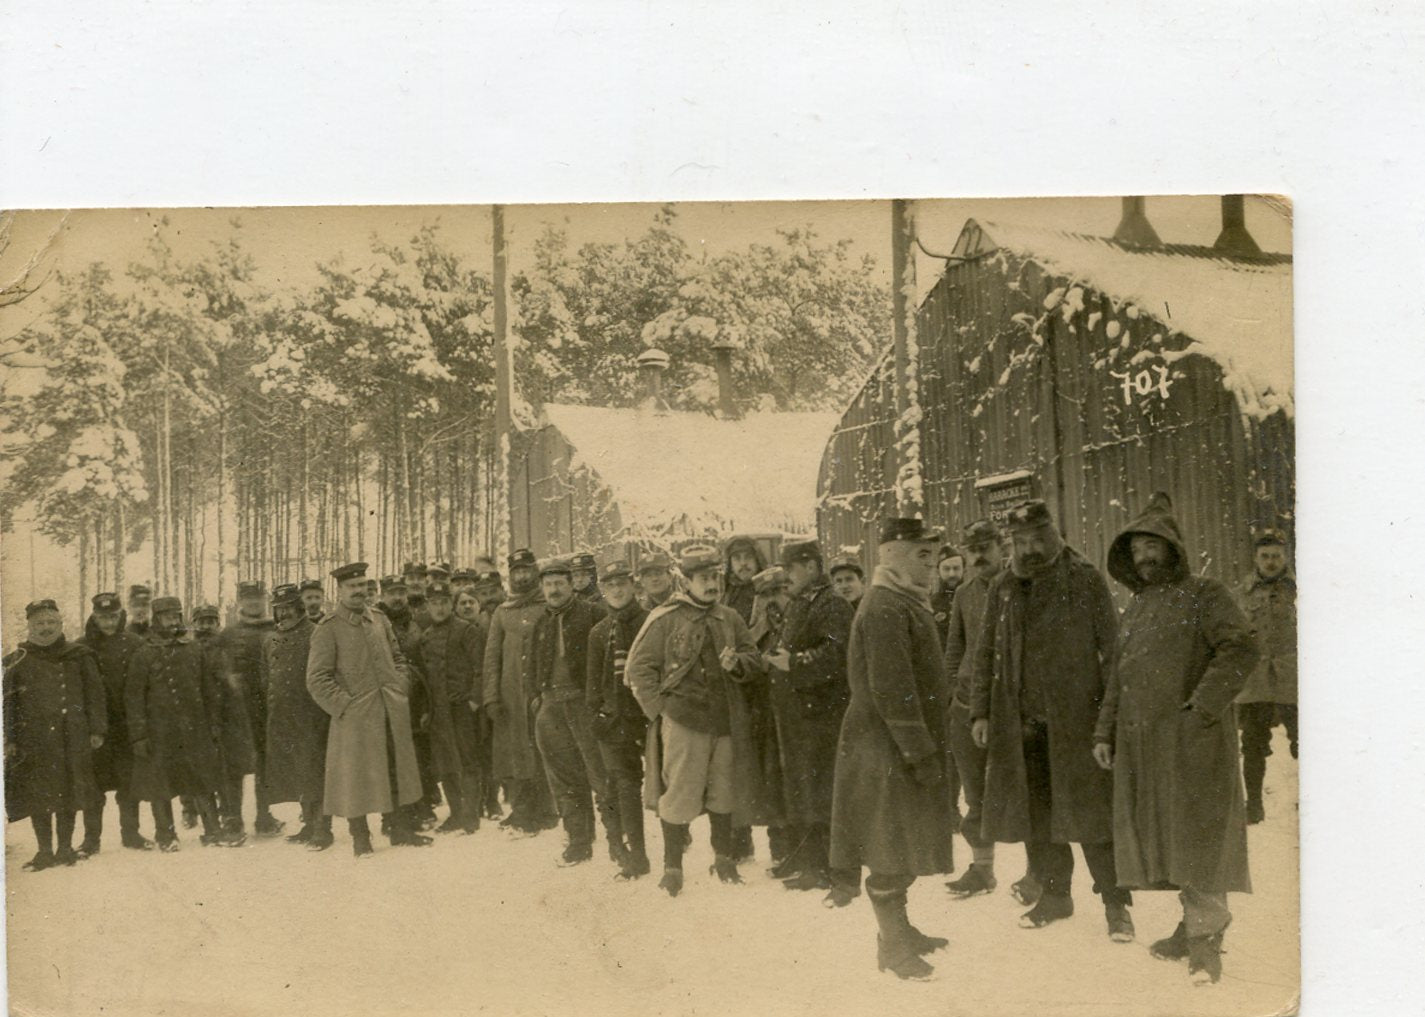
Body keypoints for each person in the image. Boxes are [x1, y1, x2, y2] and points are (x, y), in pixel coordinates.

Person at [1096, 493, 1260, 985]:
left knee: (1199, 840)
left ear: (1173, 549)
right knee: (1168, 844)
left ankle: (1206, 947)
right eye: (1138, 548)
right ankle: (1192, 926)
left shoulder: (1206, 594)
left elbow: (1241, 646)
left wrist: (1200, 709)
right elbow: (1118, 678)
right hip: (1143, 749)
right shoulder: (1137, 607)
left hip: (1193, 744)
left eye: (1154, 546)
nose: (1145, 557)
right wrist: (1105, 730)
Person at [970, 500, 1131, 940]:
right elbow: (984, 651)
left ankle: (1117, 906)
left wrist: (1108, 720)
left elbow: (1114, 651)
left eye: (1038, 539)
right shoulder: (1004, 586)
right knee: (1036, 818)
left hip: (1076, 723)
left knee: (1091, 818)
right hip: (1020, 724)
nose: (1030, 549)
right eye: (1021, 542)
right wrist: (981, 710)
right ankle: (1056, 896)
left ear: (1054, 535)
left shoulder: (1084, 579)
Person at [829, 518, 952, 981]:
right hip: (885, 748)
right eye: (923, 555)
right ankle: (894, 948)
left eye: (934, 556)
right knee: (889, 847)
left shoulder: (903, 601)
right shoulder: (884, 607)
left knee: (902, 841)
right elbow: (892, 687)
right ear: (897, 556)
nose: (933, 565)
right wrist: (918, 750)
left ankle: (900, 931)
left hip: (897, 744)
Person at [627, 545, 763, 898]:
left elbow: (753, 658)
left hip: (724, 721)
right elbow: (638, 669)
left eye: (715, 576)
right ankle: (672, 868)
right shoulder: (666, 617)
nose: (711, 584)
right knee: (680, 795)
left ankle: (724, 859)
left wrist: (739, 665)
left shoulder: (729, 617)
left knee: (723, 793)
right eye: (703, 578)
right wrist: (660, 711)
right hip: (684, 721)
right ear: (685, 581)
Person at [305, 562, 430, 857]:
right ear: (340, 590)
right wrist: (345, 706)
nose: (359, 591)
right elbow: (316, 678)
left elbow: (398, 657)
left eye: (363, 586)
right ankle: (360, 837)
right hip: (355, 718)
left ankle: (400, 829)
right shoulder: (329, 627)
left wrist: (399, 685)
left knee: (394, 768)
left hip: (389, 709)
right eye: (352, 587)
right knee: (354, 778)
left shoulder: (379, 619)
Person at [765, 540, 858, 908]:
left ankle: (843, 876)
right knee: (811, 792)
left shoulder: (832, 604)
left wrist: (796, 662)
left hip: (827, 715)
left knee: (830, 795)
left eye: (792, 568)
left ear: (812, 566)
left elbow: (838, 654)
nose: (787, 575)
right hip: (804, 715)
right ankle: (816, 865)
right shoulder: (803, 603)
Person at [943, 519, 1027, 899]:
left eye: (985, 547)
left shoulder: (1021, 587)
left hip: (1009, 705)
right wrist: (950, 696)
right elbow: (954, 651)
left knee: (1023, 789)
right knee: (975, 792)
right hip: (965, 703)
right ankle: (982, 869)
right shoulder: (963, 595)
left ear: (1001, 547)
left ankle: (1036, 872)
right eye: (971, 549)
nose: (978, 556)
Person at [125, 596, 240, 850]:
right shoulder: (144, 654)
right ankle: (165, 835)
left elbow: (208, 690)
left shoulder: (193, 650)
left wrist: (213, 723)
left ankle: (213, 830)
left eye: (177, 616)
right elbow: (133, 699)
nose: (174, 621)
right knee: (161, 784)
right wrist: (139, 735)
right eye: (168, 617)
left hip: (194, 729)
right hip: (159, 733)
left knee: (203, 779)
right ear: (157, 620)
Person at [4, 600, 106, 870]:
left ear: (61, 625)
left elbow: (95, 695)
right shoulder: (17, 661)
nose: (46, 628)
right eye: (39, 623)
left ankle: (65, 848)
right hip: (34, 740)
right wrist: (10, 739)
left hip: (72, 736)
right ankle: (44, 851)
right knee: (39, 793)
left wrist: (97, 729)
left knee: (69, 791)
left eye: (51, 622)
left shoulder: (79, 656)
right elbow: (9, 705)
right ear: (29, 627)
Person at [532, 559, 617, 866]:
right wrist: (538, 700)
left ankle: (617, 841)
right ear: (542, 588)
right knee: (564, 778)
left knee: (600, 774)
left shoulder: (593, 613)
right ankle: (579, 841)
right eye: (549, 584)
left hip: (584, 704)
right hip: (551, 705)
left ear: (571, 586)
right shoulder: (541, 621)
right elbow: (532, 666)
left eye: (560, 583)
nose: (554, 590)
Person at [482, 548, 559, 835]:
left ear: (536, 573)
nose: (523, 577)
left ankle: (547, 810)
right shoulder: (503, 613)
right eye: (517, 572)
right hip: (511, 697)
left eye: (527, 570)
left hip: (542, 693)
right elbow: (492, 658)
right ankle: (523, 809)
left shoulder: (547, 606)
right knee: (516, 753)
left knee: (545, 749)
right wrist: (491, 697)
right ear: (511, 576)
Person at [586, 560, 652, 880]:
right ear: (602, 590)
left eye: (622, 583)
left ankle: (677, 849)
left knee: (664, 786)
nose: (617, 590)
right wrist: (598, 716)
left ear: (633, 586)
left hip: (648, 716)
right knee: (623, 786)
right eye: (610, 585)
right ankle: (635, 855)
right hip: (615, 721)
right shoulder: (599, 632)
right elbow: (593, 684)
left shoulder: (651, 622)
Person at [78, 592, 153, 854]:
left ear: (121, 615)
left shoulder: (134, 644)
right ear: (94, 617)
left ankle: (131, 834)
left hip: (125, 726)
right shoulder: (81, 647)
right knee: (93, 786)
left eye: (113, 617)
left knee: (128, 782)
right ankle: (91, 840)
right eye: (102, 617)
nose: (108, 623)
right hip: (95, 729)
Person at [261, 584, 333, 850]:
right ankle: (308, 825)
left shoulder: (316, 634)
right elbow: (265, 677)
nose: (283, 615)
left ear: (300, 609)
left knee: (314, 771)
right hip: (282, 718)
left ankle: (323, 829)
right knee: (295, 773)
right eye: (279, 610)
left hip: (311, 717)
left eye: (289, 609)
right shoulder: (271, 639)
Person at [1234, 528, 1297, 824]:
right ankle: (1255, 803)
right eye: (1265, 556)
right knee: (1253, 745)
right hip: (1256, 680)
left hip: (1293, 678)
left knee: (1304, 742)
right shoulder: (1242, 593)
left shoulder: (1300, 590)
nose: (1271, 562)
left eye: (1276, 556)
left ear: (1285, 557)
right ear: (1255, 558)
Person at [214, 580, 282, 837]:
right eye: (248, 598)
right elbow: (216, 668)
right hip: (235, 710)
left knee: (265, 761)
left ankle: (264, 816)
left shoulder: (276, 629)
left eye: (258, 598)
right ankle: (233, 817)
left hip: (267, 706)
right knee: (234, 763)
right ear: (240, 602)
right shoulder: (228, 635)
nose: (254, 603)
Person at [418, 579, 485, 835]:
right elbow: (424, 680)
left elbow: (480, 669)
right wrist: (427, 709)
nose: (439, 608)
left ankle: (471, 815)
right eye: (434, 603)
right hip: (438, 711)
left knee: (468, 761)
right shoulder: (425, 637)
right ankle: (456, 813)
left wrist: (473, 700)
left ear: (451, 604)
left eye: (444, 602)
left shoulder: (466, 630)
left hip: (461, 708)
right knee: (445, 764)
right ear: (428, 606)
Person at [376, 574, 439, 829]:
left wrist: (425, 705)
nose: (397, 597)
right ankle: (390, 816)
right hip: (386, 702)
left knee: (417, 757)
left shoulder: (416, 624)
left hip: (414, 701)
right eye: (392, 592)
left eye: (401, 592)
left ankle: (420, 808)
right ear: (382, 596)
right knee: (388, 759)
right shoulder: (375, 623)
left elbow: (424, 667)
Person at [746, 566, 794, 875]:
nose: (772, 600)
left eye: (778, 591)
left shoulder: (800, 623)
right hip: (766, 716)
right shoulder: (754, 632)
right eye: (765, 595)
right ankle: (780, 850)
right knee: (773, 781)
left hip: (798, 715)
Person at [455, 586, 503, 820]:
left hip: (484, 701)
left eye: (471, 602)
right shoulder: (454, 632)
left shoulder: (489, 628)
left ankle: (492, 801)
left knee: (489, 753)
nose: (467, 607)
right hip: (462, 704)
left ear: (479, 605)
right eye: (462, 603)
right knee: (469, 755)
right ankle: (472, 804)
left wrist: (479, 698)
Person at [721, 535, 767, 625]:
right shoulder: (724, 592)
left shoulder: (769, 589)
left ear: (757, 560)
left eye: (748, 557)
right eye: (737, 558)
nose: (743, 563)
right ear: (730, 564)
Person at [931, 545, 964, 645]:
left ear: (964, 569)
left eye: (956, 568)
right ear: (938, 571)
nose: (952, 574)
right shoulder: (931, 604)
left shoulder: (974, 598)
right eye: (946, 569)